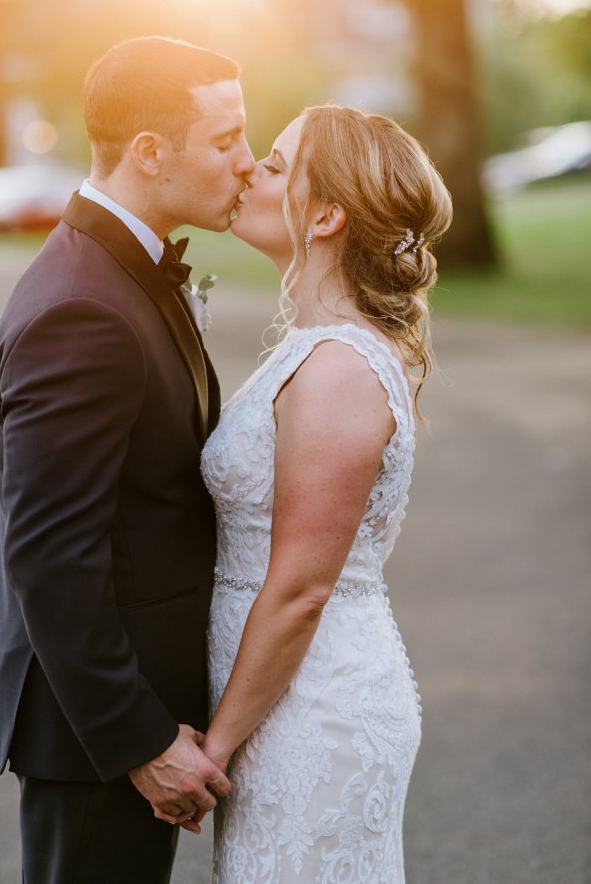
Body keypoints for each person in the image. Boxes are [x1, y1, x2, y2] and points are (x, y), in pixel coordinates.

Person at [0, 35, 255, 884]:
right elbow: (51, 557)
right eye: (226, 141)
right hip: (99, 737)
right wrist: (139, 739)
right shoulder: (83, 312)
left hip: (130, 716)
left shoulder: (117, 272)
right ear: (149, 152)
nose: (247, 164)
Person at [162, 105, 452, 881]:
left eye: (279, 164)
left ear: (326, 215)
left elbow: (300, 589)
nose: (253, 169)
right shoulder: (311, 347)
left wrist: (213, 752)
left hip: (311, 712)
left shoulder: (338, 371)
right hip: (276, 705)